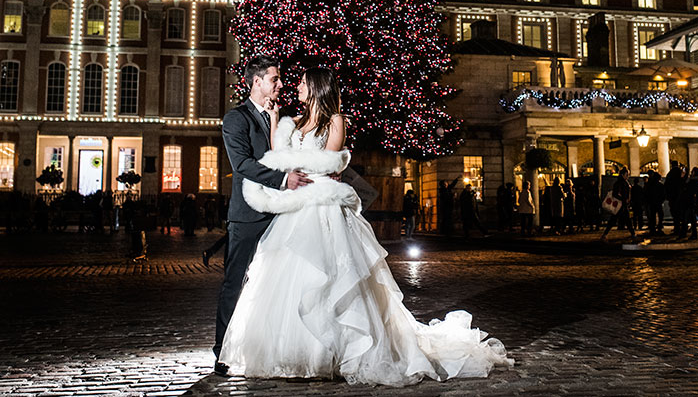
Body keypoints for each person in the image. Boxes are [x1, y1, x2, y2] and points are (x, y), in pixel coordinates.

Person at [219, 67, 512, 385]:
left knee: (334, 278)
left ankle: (340, 350)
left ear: (317, 87)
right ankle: (293, 351)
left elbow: (330, 163)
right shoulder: (296, 122)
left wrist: (301, 168)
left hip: (324, 206)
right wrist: (278, 128)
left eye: (303, 82)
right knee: (293, 279)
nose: (296, 86)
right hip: (298, 207)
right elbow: (281, 157)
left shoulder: (336, 121)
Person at [213, 56, 313, 376]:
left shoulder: (276, 116)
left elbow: (280, 156)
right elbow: (242, 164)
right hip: (248, 215)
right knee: (236, 283)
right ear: (257, 82)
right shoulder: (235, 119)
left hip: (279, 215)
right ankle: (222, 351)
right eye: (275, 79)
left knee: (277, 283)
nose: (281, 84)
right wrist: (285, 181)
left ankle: (273, 347)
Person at [600, 168, 636, 240]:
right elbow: (615, 194)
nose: (628, 176)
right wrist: (623, 199)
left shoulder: (623, 182)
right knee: (623, 219)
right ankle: (633, 234)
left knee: (616, 219)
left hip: (622, 204)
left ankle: (605, 234)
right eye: (627, 174)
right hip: (621, 204)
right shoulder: (621, 183)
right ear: (622, 174)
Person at [645, 170, 666, 236]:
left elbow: (647, 193)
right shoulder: (660, 185)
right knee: (660, 215)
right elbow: (663, 194)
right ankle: (659, 227)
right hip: (658, 202)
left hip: (652, 202)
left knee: (652, 216)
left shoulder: (649, 185)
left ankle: (652, 229)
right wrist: (661, 200)